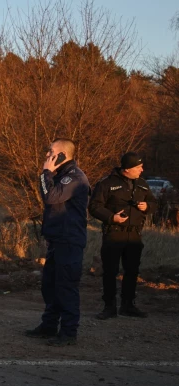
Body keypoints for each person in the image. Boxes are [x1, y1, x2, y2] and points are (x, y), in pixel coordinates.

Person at [25, 139, 90, 346]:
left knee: (66, 287)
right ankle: (49, 326)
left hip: (69, 241)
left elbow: (51, 197)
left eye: (51, 152)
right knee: (50, 286)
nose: (47, 155)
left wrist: (45, 173)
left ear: (62, 155)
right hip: (57, 240)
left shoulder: (74, 178)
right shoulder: (61, 176)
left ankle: (69, 333)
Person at [88, 152, 157, 319]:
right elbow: (95, 207)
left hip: (134, 236)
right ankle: (109, 307)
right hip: (114, 235)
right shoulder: (106, 184)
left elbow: (154, 203)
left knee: (132, 271)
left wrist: (146, 206)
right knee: (110, 272)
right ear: (127, 169)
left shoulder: (142, 184)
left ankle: (128, 305)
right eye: (138, 167)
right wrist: (112, 218)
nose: (142, 169)